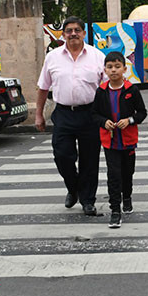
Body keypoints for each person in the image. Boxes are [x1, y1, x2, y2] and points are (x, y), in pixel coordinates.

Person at [36, 16, 106, 217]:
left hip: (91, 114)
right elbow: (43, 87)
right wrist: (39, 114)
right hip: (64, 113)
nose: (73, 33)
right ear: (63, 34)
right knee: (62, 156)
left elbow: (108, 87)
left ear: (84, 33)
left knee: (90, 160)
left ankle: (88, 200)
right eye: (69, 30)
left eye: (77, 30)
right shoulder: (53, 57)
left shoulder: (97, 56)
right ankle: (73, 187)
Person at [92, 51, 147, 229]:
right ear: (105, 70)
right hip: (110, 141)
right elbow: (94, 114)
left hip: (128, 139)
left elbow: (142, 113)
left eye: (117, 66)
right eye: (110, 67)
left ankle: (127, 197)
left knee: (127, 172)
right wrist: (104, 122)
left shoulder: (132, 90)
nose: (113, 70)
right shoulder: (101, 91)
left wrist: (129, 120)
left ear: (124, 68)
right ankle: (115, 211)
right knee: (113, 175)